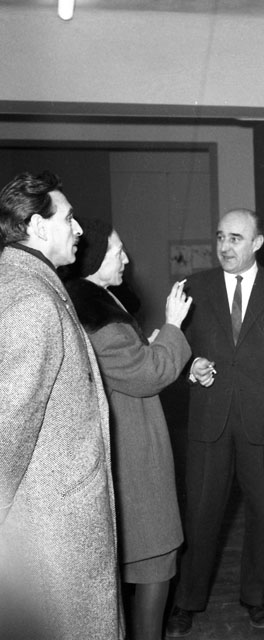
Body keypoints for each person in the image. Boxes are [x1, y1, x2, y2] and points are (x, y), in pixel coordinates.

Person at [167, 208, 264, 636]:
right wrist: (191, 366)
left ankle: (255, 598)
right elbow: (174, 345)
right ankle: (187, 601)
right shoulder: (195, 288)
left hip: (263, 421)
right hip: (209, 420)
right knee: (200, 514)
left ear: (257, 243)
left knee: (262, 513)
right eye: (220, 237)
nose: (225, 246)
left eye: (235, 238)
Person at [0, 172, 123, 640]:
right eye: (69, 219)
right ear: (36, 226)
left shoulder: (28, 284)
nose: (79, 230)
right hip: (54, 531)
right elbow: (8, 428)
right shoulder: (33, 299)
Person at [64, 218, 193, 640]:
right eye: (117, 251)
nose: (125, 258)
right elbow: (148, 375)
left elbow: (130, 363)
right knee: (156, 560)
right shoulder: (94, 314)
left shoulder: (94, 301)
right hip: (133, 456)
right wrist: (173, 326)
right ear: (93, 260)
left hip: (127, 449)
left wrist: (151, 347)